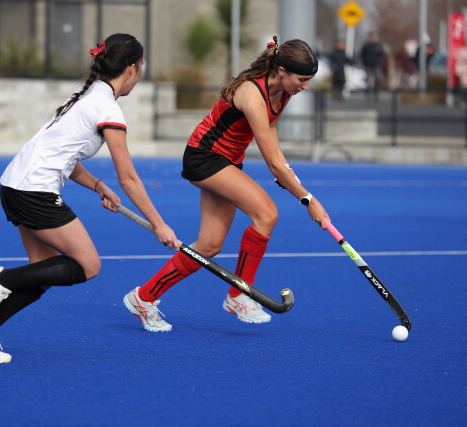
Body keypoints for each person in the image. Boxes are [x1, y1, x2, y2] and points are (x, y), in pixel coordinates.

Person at [0, 34, 178, 363]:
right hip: (34, 191)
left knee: (44, 273)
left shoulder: (86, 96)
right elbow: (128, 177)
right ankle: (0, 278)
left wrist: (97, 185)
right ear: (132, 68)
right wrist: (159, 224)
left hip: (15, 186)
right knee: (88, 265)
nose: (139, 74)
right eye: (140, 67)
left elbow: (65, 157)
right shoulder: (107, 108)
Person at [122, 36, 330, 332]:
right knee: (266, 214)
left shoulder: (283, 93)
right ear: (282, 71)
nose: (305, 86)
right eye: (302, 79)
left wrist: (287, 173)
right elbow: (271, 161)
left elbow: (272, 138)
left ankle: (143, 297)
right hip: (205, 157)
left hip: (227, 161)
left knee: (209, 245)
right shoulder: (252, 94)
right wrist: (308, 199)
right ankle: (239, 294)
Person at [360, 33, 384, 100]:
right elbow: (362, 55)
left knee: (378, 79)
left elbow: (381, 55)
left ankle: (377, 93)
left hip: (376, 65)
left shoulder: (378, 45)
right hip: (368, 65)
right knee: (368, 79)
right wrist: (365, 62)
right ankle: (368, 93)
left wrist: (379, 61)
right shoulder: (366, 46)